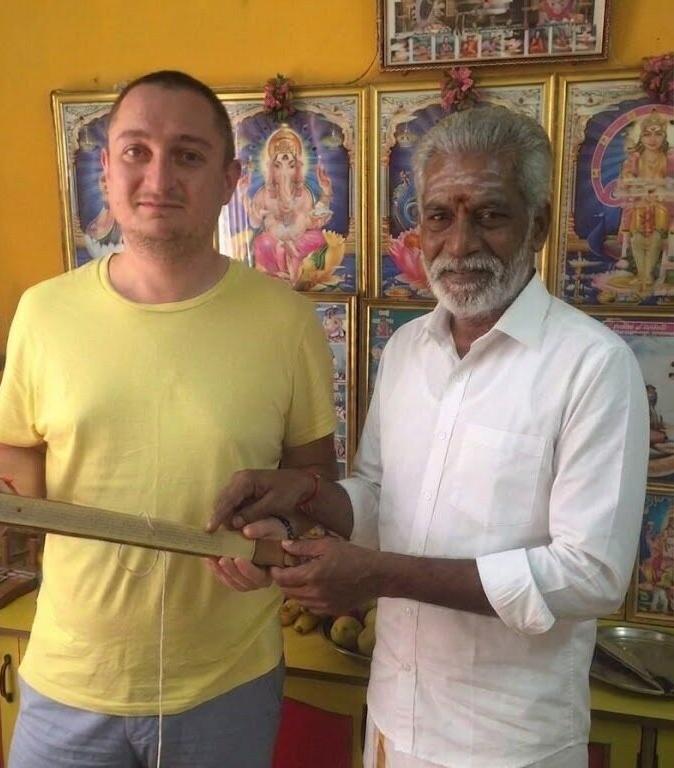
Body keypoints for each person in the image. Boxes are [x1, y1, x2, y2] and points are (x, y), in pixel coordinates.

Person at [0, 70, 338, 768]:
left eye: (189, 155)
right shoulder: (44, 311)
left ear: (232, 178)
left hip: (226, 685)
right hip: (70, 684)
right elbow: (12, 471)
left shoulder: (288, 321)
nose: (159, 176)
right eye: (136, 151)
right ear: (106, 170)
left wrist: (282, 529)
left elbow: (312, 480)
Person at [208, 106, 649, 768]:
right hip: (394, 722)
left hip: (508, 744)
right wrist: (299, 495)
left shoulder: (592, 365)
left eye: (491, 215)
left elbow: (591, 575)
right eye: (440, 215)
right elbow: (383, 497)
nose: (461, 242)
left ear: (539, 224)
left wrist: (380, 574)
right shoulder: (410, 347)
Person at [237, 124, 334, 287]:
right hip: (273, 242)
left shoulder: (304, 193)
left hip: (299, 238)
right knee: (263, 243)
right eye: (278, 165)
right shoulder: (263, 193)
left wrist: (326, 191)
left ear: (297, 168)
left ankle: (299, 275)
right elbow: (254, 222)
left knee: (318, 238)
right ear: (270, 168)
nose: (284, 172)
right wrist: (242, 194)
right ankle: (277, 275)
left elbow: (313, 220)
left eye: (290, 165)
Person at [616, 110, 674, 296]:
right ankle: (643, 276)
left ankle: (646, 277)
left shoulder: (670, 159)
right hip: (639, 205)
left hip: (664, 205)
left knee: (657, 235)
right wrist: (631, 182)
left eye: (658, 133)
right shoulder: (634, 160)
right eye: (647, 134)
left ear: (665, 136)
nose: (653, 139)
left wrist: (661, 190)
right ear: (641, 138)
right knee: (636, 237)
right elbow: (625, 183)